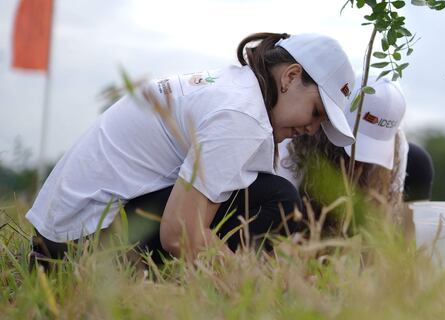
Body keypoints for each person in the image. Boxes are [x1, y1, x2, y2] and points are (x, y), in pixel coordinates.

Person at [27, 32, 356, 264]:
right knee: (279, 200)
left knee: (259, 190)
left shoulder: (234, 87)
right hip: (77, 250)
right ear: (290, 77)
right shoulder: (242, 115)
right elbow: (178, 234)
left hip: (59, 237)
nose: (312, 130)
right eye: (316, 113)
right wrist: (255, 289)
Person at [277, 74, 434, 226]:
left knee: (419, 161)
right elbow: (282, 218)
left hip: (356, 224)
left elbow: (385, 221)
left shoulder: (397, 146)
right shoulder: (296, 138)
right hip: (304, 224)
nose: (361, 161)